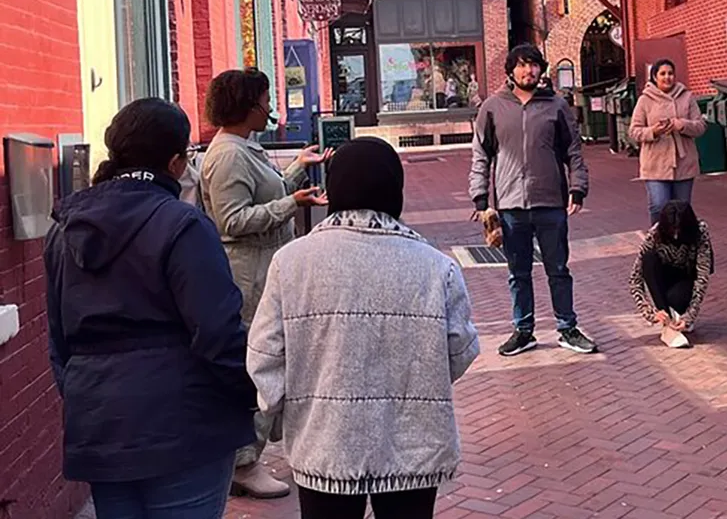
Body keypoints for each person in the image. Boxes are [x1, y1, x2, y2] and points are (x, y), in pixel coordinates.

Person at [247, 138, 480, 519]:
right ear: (395, 188)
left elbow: (265, 355)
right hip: (413, 444)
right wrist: (420, 380)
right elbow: (460, 350)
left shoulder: (291, 263)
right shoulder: (436, 267)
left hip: (324, 441)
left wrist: (281, 410)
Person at [45, 98, 257, 518]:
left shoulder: (63, 229)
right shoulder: (183, 225)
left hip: (100, 422)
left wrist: (86, 395)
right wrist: (252, 393)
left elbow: (59, 339)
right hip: (184, 424)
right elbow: (218, 333)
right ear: (176, 162)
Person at [199, 68, 330, 499]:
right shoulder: (228, 155)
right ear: (245, 106)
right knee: (259, 363)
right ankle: (243, 462)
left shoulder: (245, 148)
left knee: (272, 359)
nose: (270, 108)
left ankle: (253, 454)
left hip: (265, 268)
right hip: (248, 275)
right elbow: (231, 220)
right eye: (264, 101)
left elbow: (260, 197)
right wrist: (289, 204)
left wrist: (296, 173)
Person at [469, 43, 597, 357]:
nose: (529, 71)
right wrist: (480, 197)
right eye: (523, 65)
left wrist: (577, 188)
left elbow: (573, 152)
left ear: (541, 69)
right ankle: (523, 331)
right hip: (511, 205)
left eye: (534, 65)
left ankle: (567, 327)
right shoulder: (492, 107)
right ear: (511, 71)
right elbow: (480, 155)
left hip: (551, 202)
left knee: (558, 269)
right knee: (518, 272)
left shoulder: (556, 106)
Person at [628, 59, 707, 224]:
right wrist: (653, 131)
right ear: (655, 77)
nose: (667, 77)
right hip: (655, 164)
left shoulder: (687, 96)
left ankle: (682, 247)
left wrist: (682, 125)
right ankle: (659, 244)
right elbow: (634, 131)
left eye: (670, 73)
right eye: (662, 74)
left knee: (682, 210)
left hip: (684, 163)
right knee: (659, 207)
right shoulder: (645, 100)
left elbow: (700, 127)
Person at [628, 201, 713, 348]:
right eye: (672, 229)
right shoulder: (655, 234)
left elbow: (702, 277)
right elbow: (635, 279)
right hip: (663, 277)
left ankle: (678, 314)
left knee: (678, 297)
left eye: (680, 230)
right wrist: (651, 313)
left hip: (686, 276)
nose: (676, 234)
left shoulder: (700, 231)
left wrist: (690, 315)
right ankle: (667, 321)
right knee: (648, 258)